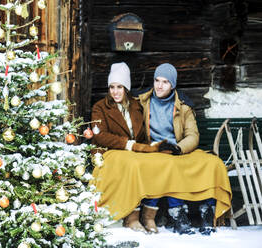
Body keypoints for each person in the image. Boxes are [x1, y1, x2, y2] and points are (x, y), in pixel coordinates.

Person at [137, 63, 229, 235]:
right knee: (171, 167)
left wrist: (179, 148)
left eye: (165, 82)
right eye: (157, 80)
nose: (159, 85)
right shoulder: (143, 101)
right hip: (155, 150)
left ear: (172, 85)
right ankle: (178, 213)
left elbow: (193, 135)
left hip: (177, 149)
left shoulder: (183, 105)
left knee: (212, 163)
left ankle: (207, 211)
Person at [90, 62, 169, 233]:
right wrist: (128, 144)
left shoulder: (135, 105)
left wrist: (150, 145)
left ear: (126, 88)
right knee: (132, 164)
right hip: (109, 151)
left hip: (132, 151)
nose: (115, 91)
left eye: (119, 86)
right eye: (112, 87)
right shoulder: (100, 107)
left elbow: (140, 135)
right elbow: (100, 136)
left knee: (154, 162)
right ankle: (131, 216)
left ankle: (149, 216)